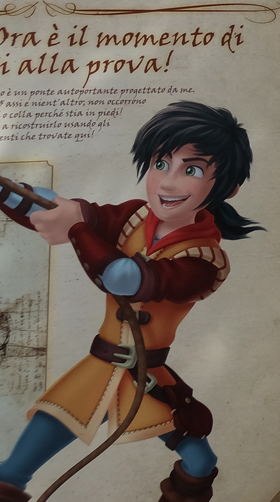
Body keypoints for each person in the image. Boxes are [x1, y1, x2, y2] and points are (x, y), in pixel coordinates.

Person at [0, 101, 258, 502]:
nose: (168, 183)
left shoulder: (206, 259)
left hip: (150, 382)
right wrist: (20, 197)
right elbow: (60, 210)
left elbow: (128, 279)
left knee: (200, 464)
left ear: (225, 185)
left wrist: (78, 229)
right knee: (11, 474)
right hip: (98, 370)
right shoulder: (135, 217)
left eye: (191, 170)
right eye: (161, 164)